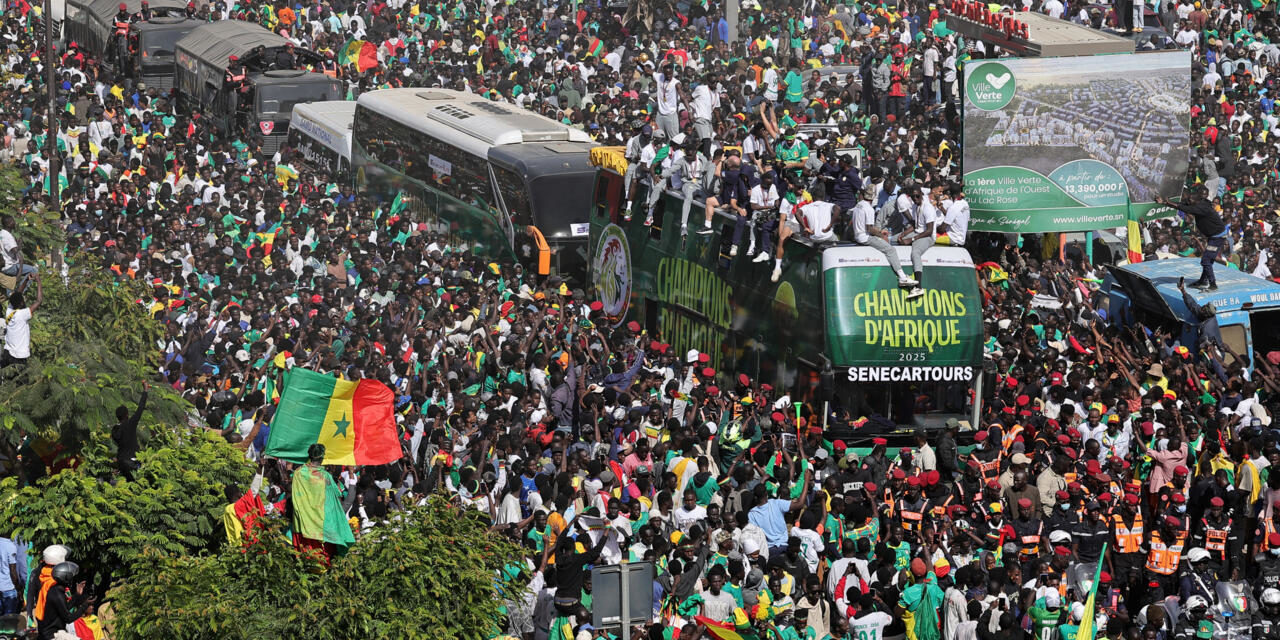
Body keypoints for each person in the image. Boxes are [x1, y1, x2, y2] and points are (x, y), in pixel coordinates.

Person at [849, 184, 920, 294]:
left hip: (858, 235)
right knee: (890, 250)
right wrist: (882, 236)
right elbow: (870, 229)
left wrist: (880, 232)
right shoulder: (869, 209)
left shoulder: (859, 205)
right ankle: (902, 276)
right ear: (873, 197)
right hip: (865, 237)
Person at [1155, 187, 1227, 290]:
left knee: (1206, 260)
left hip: (1218, 237)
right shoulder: (1198, 203)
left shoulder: (1202, 208)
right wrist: (1167, 202)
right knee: (1208, 260)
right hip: (1213, 236)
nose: (1188, 201)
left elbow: (1186, 209)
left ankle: (1213, 285)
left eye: (1190, 200)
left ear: (1196, 200)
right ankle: (1203, 281)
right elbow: (1185, 205)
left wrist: (1168, 203)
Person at [34, 562, 89, 640]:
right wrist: (84, 607)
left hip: (55, 631)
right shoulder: (58, 595)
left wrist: (76, 595)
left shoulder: (56, 589)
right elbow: (68, 618)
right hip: (53, 635)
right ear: (66, 578)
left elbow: (64, 608)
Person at [111, 381, 150, 481]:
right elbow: (141, 407)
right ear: (127, 415)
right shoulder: (130, 424)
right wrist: (145, 390)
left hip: (121, 462)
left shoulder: (114, 429)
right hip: (133, 461)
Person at [2, 274, 40, 368]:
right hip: (18, 356)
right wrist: (39, 282)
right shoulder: (22, 315)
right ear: (21, 303)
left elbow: (18, 293)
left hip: (8, 352)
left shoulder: (9, 311)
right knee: (21, 381)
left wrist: (26, 280)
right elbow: (39, 301)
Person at [0, 215, 36, 283]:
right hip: (10, 266)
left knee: (10, 287)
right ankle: (20, 291)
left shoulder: (1, 233)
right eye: (13, 221)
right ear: (9, 224)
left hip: (4, 265)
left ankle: (12, 293)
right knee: (33, 271)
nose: (15, 223)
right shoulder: (7, 236)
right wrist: (19, 244)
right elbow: (15, 251)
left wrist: (16, 244)